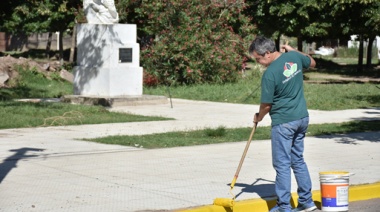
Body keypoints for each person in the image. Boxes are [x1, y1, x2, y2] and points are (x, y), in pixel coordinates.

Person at [248, 36, 317, 212]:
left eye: (259, 58)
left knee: (282, 165)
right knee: (298, 160)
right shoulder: (294, 57)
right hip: (301, 118)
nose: (259, 62)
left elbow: (266, 105)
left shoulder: (270, 74)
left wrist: (259, 117)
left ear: (268, 53)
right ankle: (307, 202)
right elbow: (312, 62)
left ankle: (284, 206)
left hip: (284, 122)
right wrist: (293, 50)